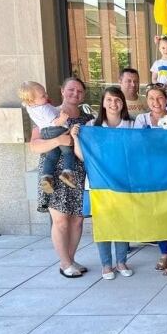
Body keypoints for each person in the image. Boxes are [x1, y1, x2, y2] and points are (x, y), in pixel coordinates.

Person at [30, 77, 93, 278]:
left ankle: (71, 259)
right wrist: (58, 139)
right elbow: (34, 145)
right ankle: (64, 263)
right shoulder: (48, 114)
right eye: (71, 90)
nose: (75, 94)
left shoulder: (87, 118)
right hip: (54, 173)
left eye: (79, 91)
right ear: (62, 91)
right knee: (61, 221)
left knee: (77, 220)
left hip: (79, 172)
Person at [72, 87, 134, 280]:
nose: (113, 104)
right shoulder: (92, 126)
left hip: (124, 183)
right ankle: (106, 264)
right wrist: (75, 137)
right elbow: (83, 157)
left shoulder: (131, 125)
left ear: (122, 103)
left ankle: (122, 261)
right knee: (103, 224)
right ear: (103, 103)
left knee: (123, 223)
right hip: (99, 184)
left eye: (117, 100)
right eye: (109, 100)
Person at [133, 85, 167, 275]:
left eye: (160, 98)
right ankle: (165, 253)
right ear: (146, 100)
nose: (156, 102)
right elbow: (138, 146)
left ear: (166, 99)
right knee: (159, 214)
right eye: (151, 99)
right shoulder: (141, 119)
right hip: (151, 175)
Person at [18, 81, 77, 196]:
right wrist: (63, 118)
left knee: (51, 156)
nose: (47, 96)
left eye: (45, 93)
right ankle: (67, 174)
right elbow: (55, 122)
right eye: (43, 96)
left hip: (45, 133)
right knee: (68, 153)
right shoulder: (45, 108)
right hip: (57, 130)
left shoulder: (31, 108)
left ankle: (46, 177)